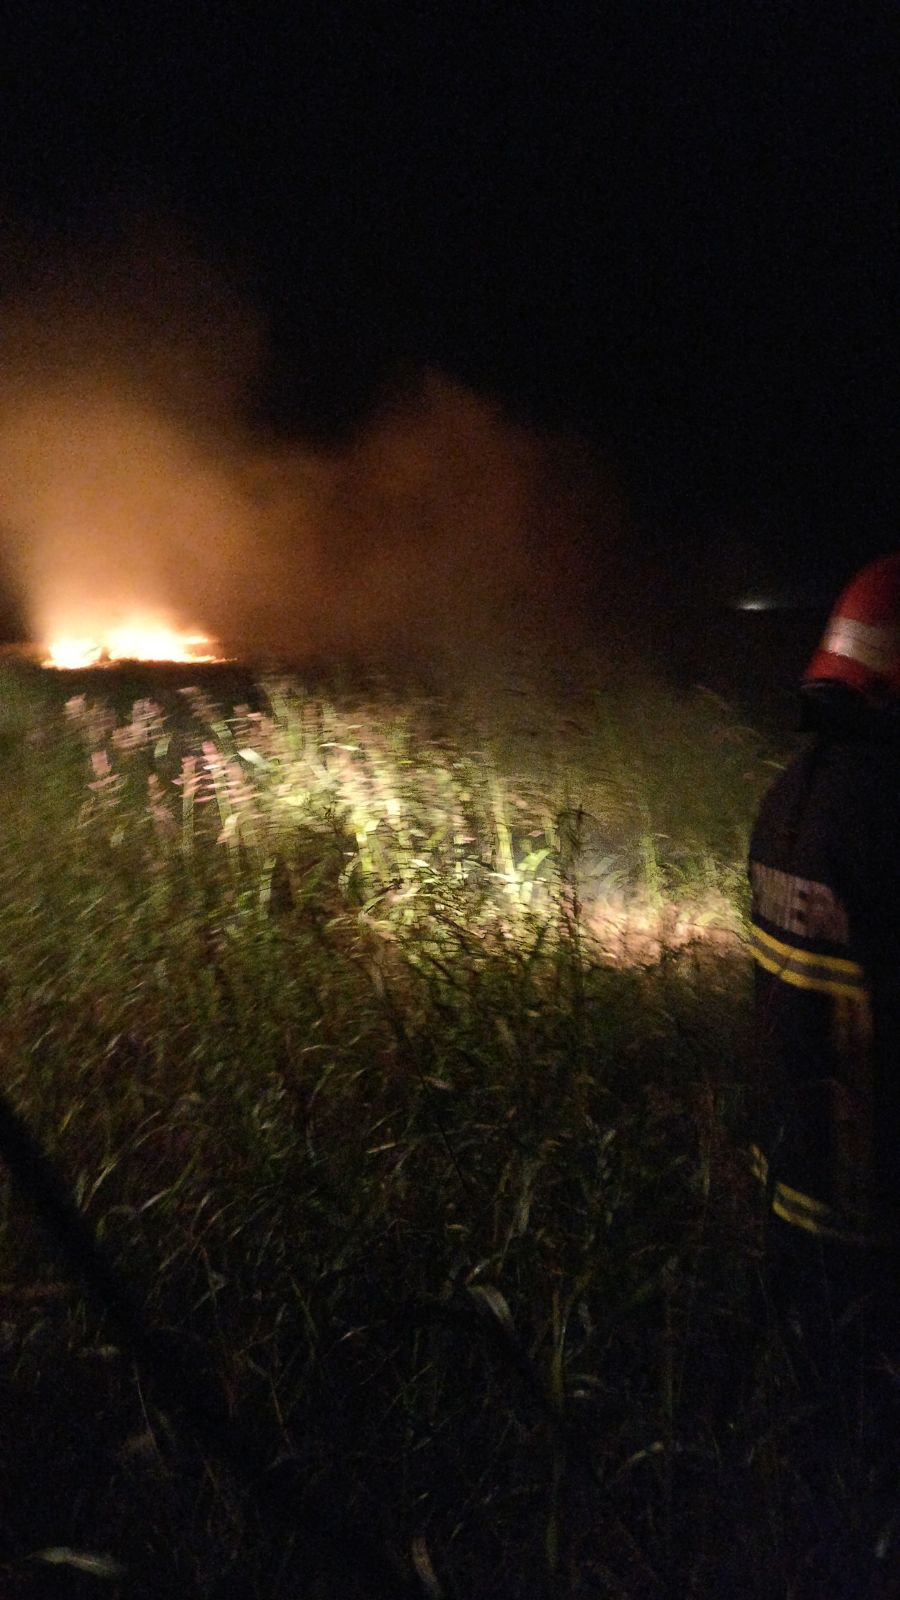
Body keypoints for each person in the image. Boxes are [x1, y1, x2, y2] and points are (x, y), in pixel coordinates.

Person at [748, 553, 900, 1587]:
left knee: (819, 1436)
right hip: (879, 1210)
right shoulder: (886, 817)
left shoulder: (790, 796)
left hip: (793, 1190)